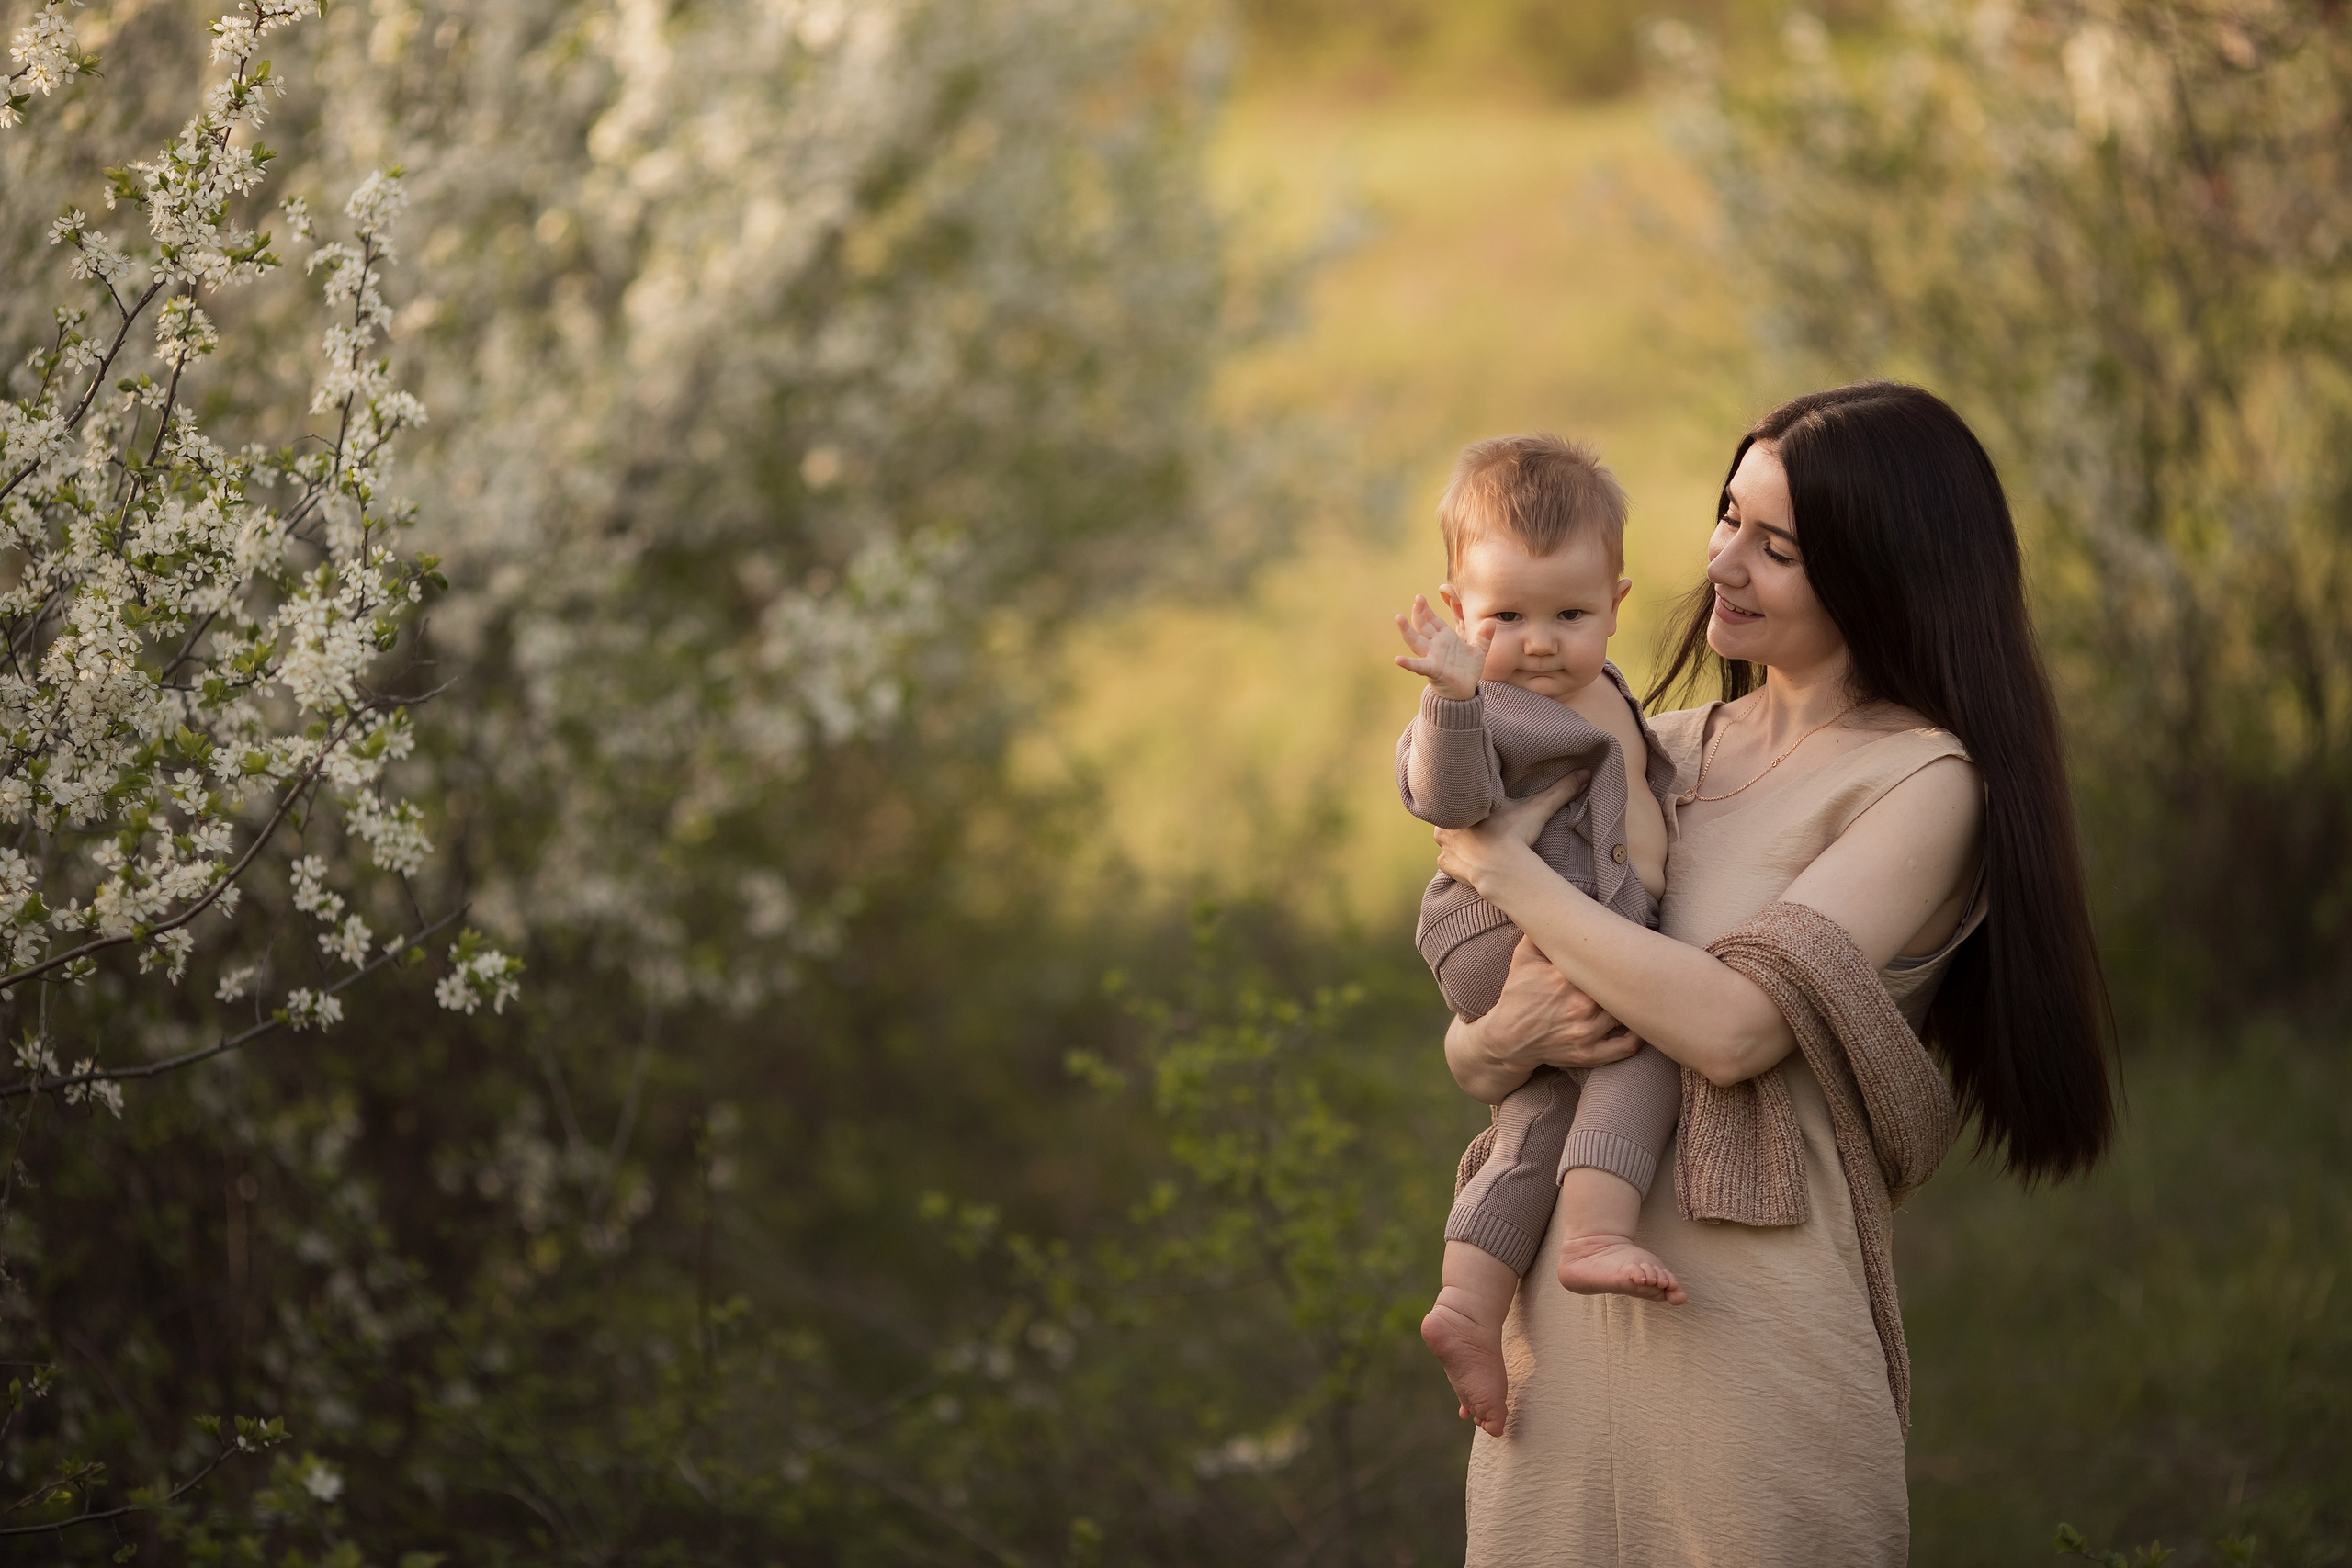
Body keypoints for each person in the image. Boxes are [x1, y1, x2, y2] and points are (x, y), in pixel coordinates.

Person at [1431, 383, 2114, 1565]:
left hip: (1748, 1335)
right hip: (1549, 1332)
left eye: (1775, 545)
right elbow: (1489, 1032)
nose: (1722, 561)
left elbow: (1738, 1028)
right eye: (1725, 516)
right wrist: (1492, 1044)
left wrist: (1501, 869)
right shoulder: (1655, 748)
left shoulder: (1917, 783)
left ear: (1877, 569)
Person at [1390, 434, 1687, 1446]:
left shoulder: (1607, 692)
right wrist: (1452, 697)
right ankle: (1597, 1229)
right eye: (1504, 617)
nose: (1540, 642)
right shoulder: (1484, 701)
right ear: (1458, 607)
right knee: (1653, 1035)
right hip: (1497, 927)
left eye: (1570, 614)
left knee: (1534, 1123)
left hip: (1541, 927)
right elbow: (1445, 799)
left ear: (1617, 598)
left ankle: (1466, 1305)